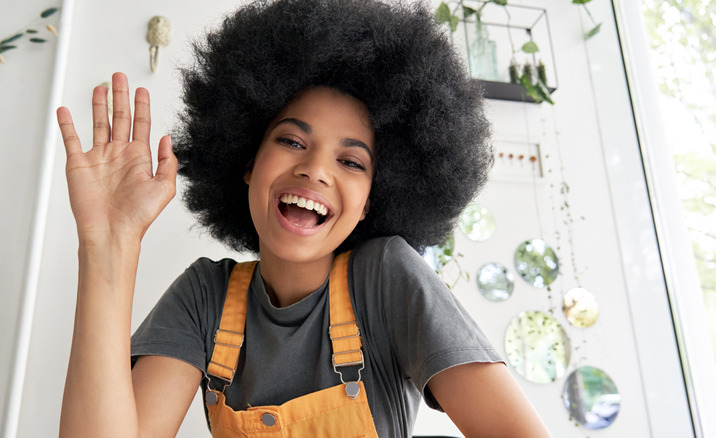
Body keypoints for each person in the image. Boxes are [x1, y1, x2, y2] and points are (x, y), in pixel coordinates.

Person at [56, 0, 552, 436]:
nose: (314, 169)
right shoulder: (203, 298)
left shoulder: (385, 278)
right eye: (292, 140)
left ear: (369, 203)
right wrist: (108, 240)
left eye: (351, 161)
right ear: (248, 163)